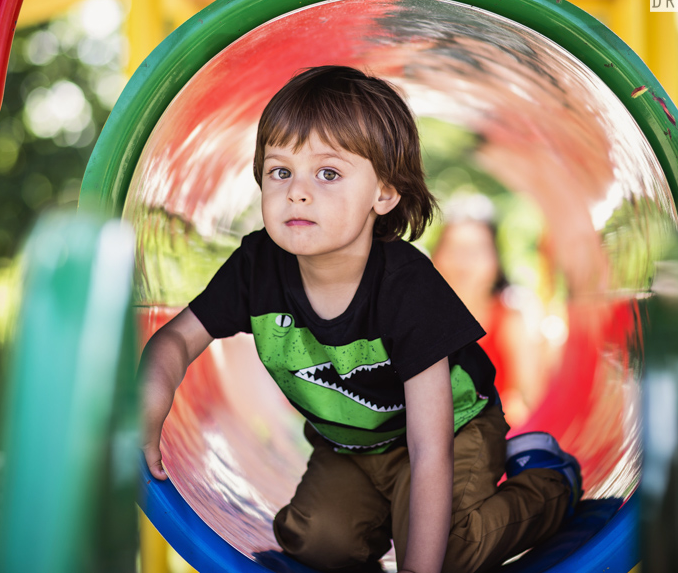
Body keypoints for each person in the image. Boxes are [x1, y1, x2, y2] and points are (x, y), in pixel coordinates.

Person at [140, 65, 581, 573]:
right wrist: (151, 399)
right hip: (351, 446)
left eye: (328, 173)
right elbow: (176, 340)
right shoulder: (256, 267)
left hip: (450, 432)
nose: (297, 192)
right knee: (317, 546)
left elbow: (429, 445)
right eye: (280, 171)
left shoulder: (407, 287)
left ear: (384, 193)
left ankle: (550, 481)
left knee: (447, 552)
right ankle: (378, 520)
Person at [431, 210, 552, 428]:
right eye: (454, 248)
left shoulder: (510, 320)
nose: (464, 261)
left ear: (496, 262)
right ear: (435, 257)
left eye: (477, 249)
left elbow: (531, 400)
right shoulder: (416, 319)